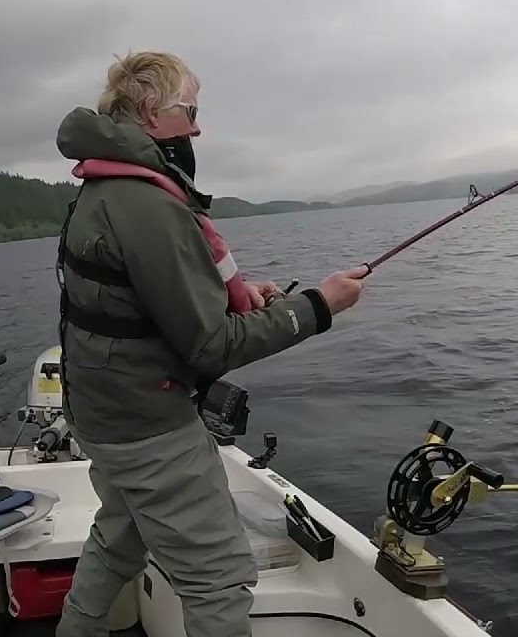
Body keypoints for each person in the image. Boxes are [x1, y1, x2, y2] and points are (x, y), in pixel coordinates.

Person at [53, 50, 368, 637]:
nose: (197, 127)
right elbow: (213, 347)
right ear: (150, 113)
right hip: (146, 424)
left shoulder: (104, 190)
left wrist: (233, 290)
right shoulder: (146, 203)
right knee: (220, 582)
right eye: (189, 110)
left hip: (100, 410)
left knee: (120, 534)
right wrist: (319, 306)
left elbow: (136, 296)